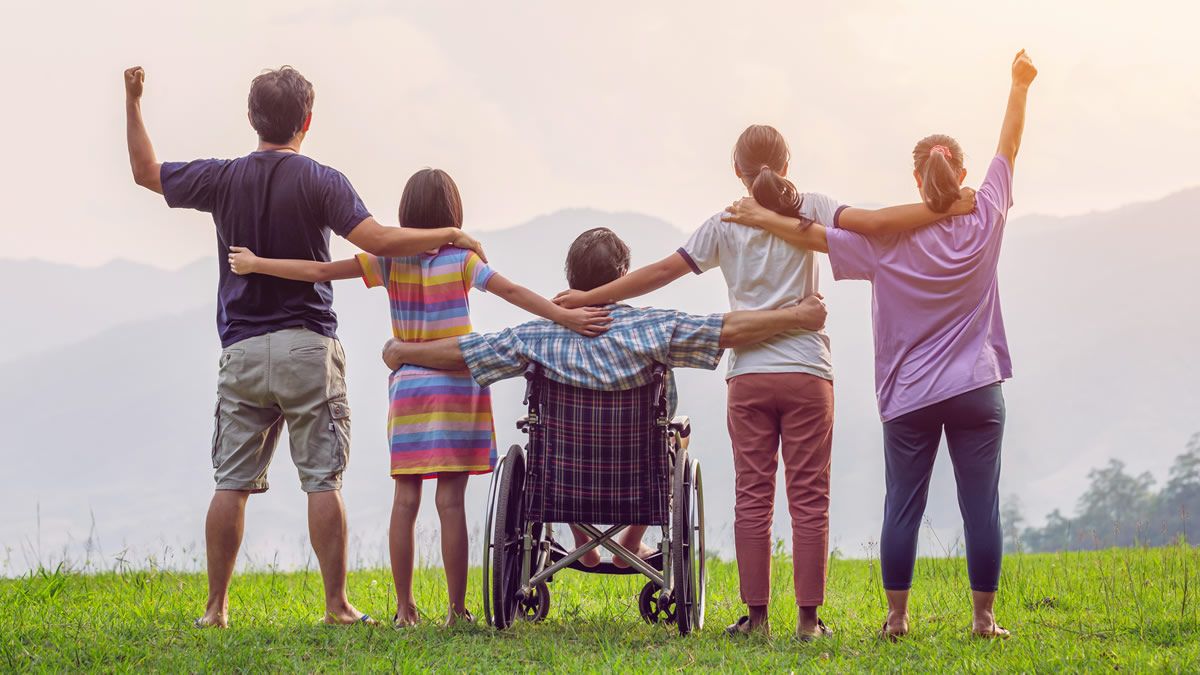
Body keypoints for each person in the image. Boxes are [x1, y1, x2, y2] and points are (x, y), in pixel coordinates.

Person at [553, 128, 974, 639]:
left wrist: (586, 297)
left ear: (737, 171)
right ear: (788, 163)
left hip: (749, 374)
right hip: (808, 373)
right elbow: (877, 225)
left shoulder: (725, 222)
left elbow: (662, 273)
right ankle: (808, 621)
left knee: (752, 497)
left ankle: (755, 620)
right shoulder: (812, 205)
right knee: (809, 499)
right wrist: (946, 207)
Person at [123, 64, 485, 628]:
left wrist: (133, 100)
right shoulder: (321, 180)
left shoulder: (222, 178)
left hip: (241, 350)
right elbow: (380, 241)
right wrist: (451, 236)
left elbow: (145, 172)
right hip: (307, 348)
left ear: (252, 118)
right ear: (307, 122)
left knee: (230, 482)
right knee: (323, 478)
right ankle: (337, 604)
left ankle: (215, 609)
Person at [723, 50, 1038, 639]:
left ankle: (896, 621)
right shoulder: (987, 212)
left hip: (910, 396)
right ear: (962, 177)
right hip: (978, 387)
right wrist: (1019, 85)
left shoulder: (886, 244)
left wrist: (760, 217)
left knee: (903, 507)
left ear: (916, 182)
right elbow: (1011, 145)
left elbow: (814, 235)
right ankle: (983, 619)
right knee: (981, 507)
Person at [227, 168, 610, 627]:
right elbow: (511, 292)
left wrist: (256, 264)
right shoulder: (463, 261)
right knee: (451, 504)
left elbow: (319, 271)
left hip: (409, 391)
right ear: (452, 213)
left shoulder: (389, 261)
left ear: (407, 214)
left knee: (404, 502)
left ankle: (404, 609)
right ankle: (455, 611)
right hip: (457, 388)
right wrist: (563, 317)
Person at [380, 227, 831, 568]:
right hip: (639, 477)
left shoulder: (536, 334)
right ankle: (630, 544)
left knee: (548, 442)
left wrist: (404, 351)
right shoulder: (656, 327)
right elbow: (727, 330)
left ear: (571, 280)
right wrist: (797, 315)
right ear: (621, 279)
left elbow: (465, 353)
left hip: (563, 482)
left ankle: (582, 540)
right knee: (672, 439)